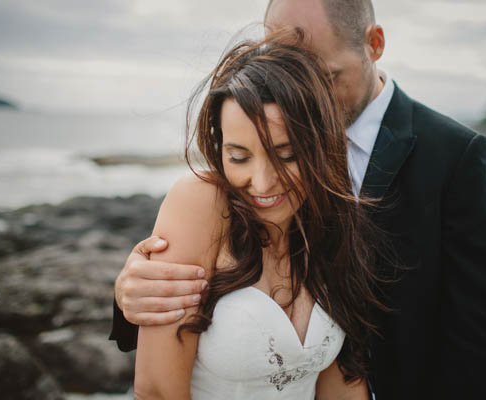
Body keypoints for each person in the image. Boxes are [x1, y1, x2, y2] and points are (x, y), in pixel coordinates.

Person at [112, 1, 486, 399]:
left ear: (374, 44)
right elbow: (170, 354)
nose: (307, 95)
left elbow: (478, 330)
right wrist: (135, 292)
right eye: (288, 71)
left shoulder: (455, 154)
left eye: (322, 76)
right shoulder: (218, 188)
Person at [133, 34, 379, 399]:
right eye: (239, 157)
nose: (262, 183)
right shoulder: (200, 202)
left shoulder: (333, 223)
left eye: (286, 155)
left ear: (319, 144)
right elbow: (156, 390)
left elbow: (344, 382)